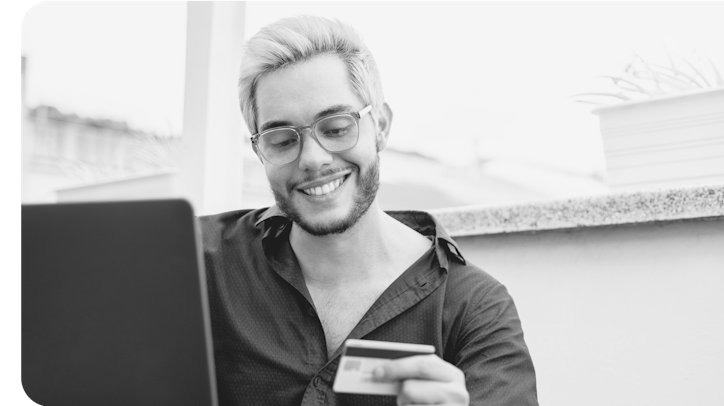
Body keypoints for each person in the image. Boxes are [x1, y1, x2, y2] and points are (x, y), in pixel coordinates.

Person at [199, 15, 537, 406]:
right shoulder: (198, 262)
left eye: (337, 127)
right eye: (281, 139)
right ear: (260, 151)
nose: (312, 159)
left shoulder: (475, 311)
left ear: (380, 126)